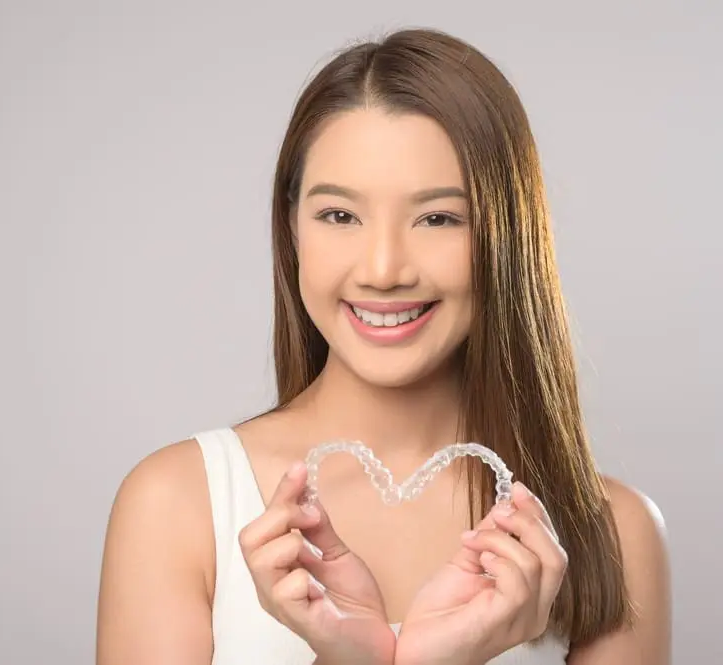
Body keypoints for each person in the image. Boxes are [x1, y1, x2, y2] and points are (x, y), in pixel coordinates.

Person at [95, 27, 671, 665]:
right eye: (340, 215)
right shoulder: (176, 504)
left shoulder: (613, 534)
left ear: (508, 238)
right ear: (291, 230)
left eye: (439, 218)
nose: (383, 268)